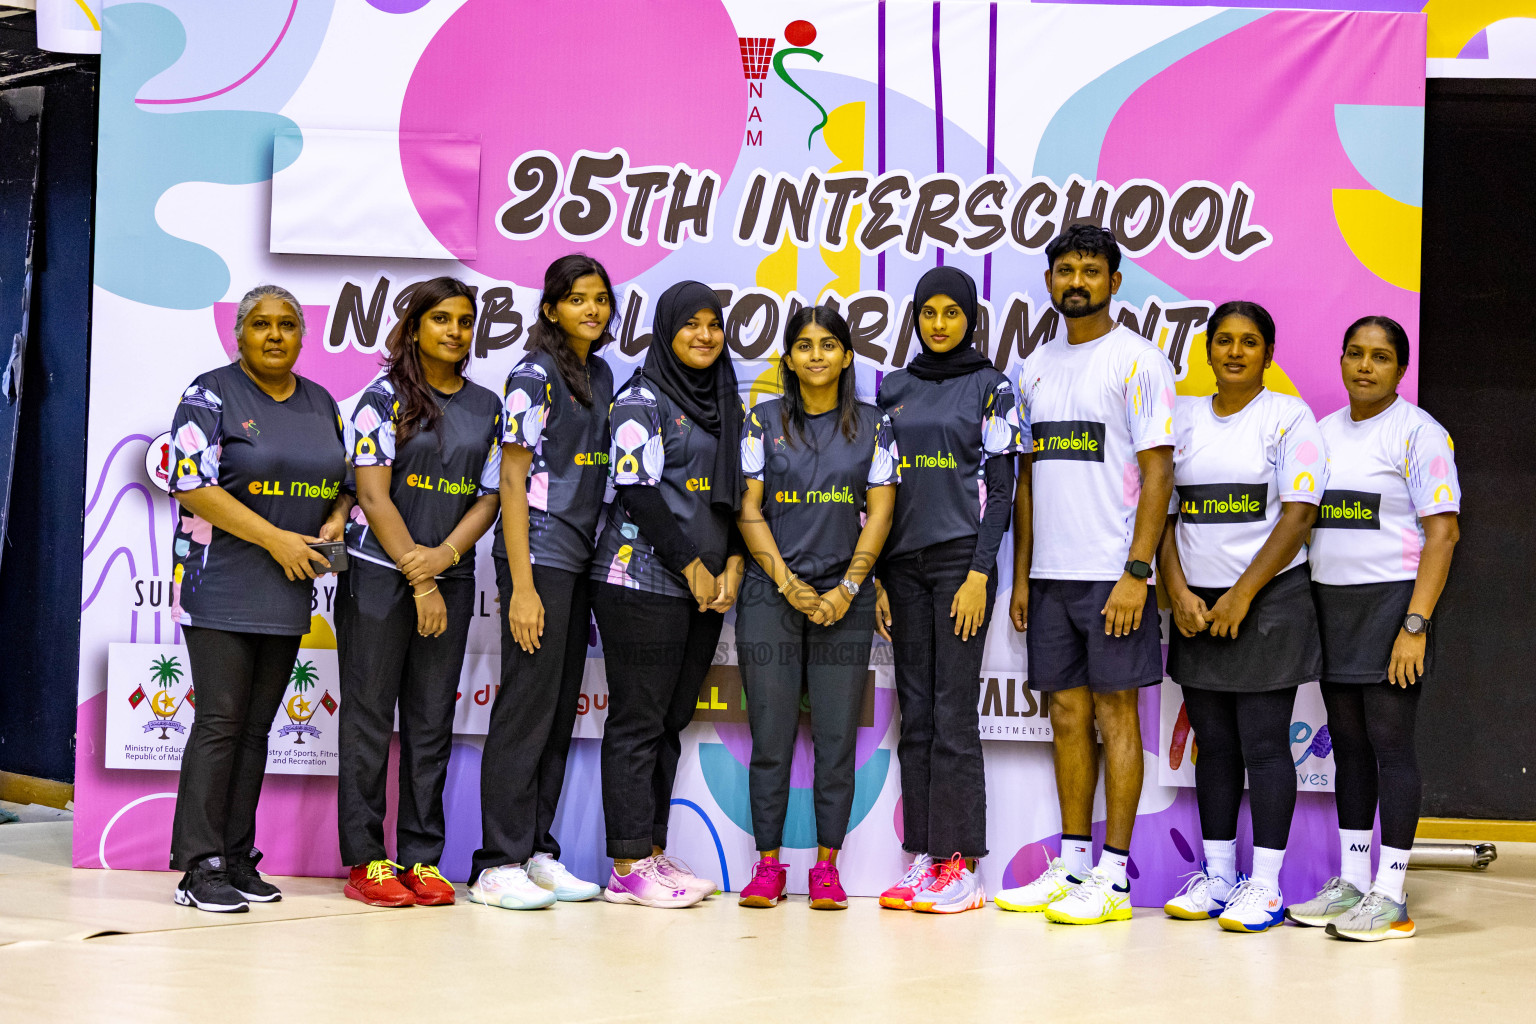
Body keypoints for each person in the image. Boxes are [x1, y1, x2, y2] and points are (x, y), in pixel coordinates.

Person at [998, 224, 1174, 924]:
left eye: (1091, 270)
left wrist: (1137, 572)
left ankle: (1114, 878)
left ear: (1114, 281)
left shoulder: (1139, 362)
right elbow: (1027, 481)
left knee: (1115, 715)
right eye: (1065, 270)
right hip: (1049, 578)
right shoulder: (1032, 367)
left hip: (1113, 576)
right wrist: (1021, 577)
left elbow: (1160, 472)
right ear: (1049, 282)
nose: (1077, 281)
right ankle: (1072, 869)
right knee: (1066, 715)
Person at [167, 284, 350, 912]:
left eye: (288, 325)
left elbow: (344, 482)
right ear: (239, 334)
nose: (275, 335)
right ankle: (199, 866)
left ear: (304, 336)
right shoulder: (210, 393)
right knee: (220, 721)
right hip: (219, 580)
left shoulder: (322, 401)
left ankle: (238, 857)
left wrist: (334, 520)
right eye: (261, 325)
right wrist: (277, 539)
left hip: (289, 584)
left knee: (256, 730)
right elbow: (190, 483)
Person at [1285, 315, 1460, 942]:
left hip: (1392, 609)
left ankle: (1392, 895)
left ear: (1400, 368)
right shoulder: (1323, 434)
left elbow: (1443, 533)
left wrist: (1414, 624)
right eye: (1355, 354)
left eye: (1380, 357)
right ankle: (1354, 885)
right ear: (1340, 361)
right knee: (1350, 747)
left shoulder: (1420, 435)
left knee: (1390, 746)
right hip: (1331, 607)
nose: (1365, 366)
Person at [1155, 301, 1326, 932]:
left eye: (1248, 342)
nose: (1234, 352)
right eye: (1222, 341)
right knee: (1216, 746)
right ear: (1207, 351)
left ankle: (1266, 886)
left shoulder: (1289, 418)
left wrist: (1241, 596)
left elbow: (1298, 517)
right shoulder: (1184, 417)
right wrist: (1177, 591)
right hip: (1198, 607)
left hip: (1267, 603)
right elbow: (1164, 513)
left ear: (1268, 353)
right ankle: (1221, 877)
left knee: (1262, 743)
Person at [334, 277, 500, 907]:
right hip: (379, 576)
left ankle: (422, 858)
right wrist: (419, 572)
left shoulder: (488, 405)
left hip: (452, 577)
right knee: (370, 718)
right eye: (440, 320)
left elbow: (490, 496)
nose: (454, 332)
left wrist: (447, 559)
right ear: (415, 327)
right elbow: (372, 494)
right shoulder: (382, 397)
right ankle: (366, 862)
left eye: (463, 320)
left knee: (431, 722)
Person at [734, 306, 899, 910]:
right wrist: (789, 586)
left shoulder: (875, 425)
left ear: (848, 355)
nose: (817, 356)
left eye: (829, 345)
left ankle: (827, 868)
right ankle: (768, 866)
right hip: (769, 596)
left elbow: (879, 512)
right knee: (771, 737)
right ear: (789, 358)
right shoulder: (763, 419)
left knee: (834, 739)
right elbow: (748, 509)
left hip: (846, 598)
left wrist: (848, 589)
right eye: (804, 346)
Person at [468, 256, 617, 911]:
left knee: (557, 711)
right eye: (577, 299)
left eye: (601, 299)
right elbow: (510, 479)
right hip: (539, 555)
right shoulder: (532, 374)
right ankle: (495, 862)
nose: (592, 309)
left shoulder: (603, 373)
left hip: (583, 558)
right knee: (527, 704)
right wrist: (521, 585)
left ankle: (536, 852)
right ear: (552, 308)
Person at [591, 280, 747, 908]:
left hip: (703, 587)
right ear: (666, 329)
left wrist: (732, 562)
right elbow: (635, 488)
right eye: (691, 324)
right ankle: (626, 863)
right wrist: (692, 567)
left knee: (670, 720)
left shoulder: (725, 398)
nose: (704, 335)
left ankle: (650, 853)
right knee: (637, 720)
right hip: (642, 581)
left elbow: (736, 492)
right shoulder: (639, 398)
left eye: (714, 323)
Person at [875, 266, 1024, 915]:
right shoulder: (894, 387)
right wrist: (879, 575)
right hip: (902, 566)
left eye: (951, 312)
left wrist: (979, 574)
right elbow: (877, 488)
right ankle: (922, 858)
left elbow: (1002, 489)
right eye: (928, 311)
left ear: (970, 318)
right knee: (916, 714)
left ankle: (959, 864)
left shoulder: (993, 388)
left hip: (961, 563)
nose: (939, 323)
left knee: (952, 711)